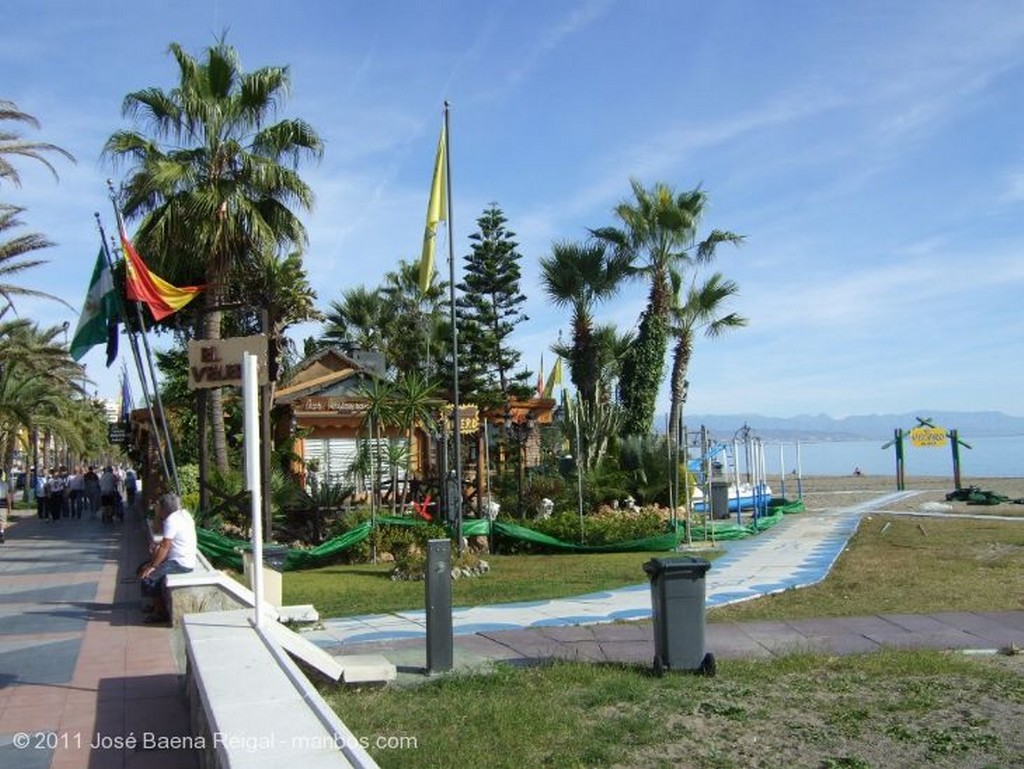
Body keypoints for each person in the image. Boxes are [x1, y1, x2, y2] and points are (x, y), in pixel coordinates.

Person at [138, 493, 197, 624]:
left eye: (158, 506)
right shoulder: (183, 514)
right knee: (142, 568)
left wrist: (153, 566)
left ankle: (160, 613)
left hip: (181, 563)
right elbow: (162, 536)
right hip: (181, 558)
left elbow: (165, 546)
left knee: (148, 576)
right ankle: (156, 606)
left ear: (164, 508)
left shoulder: (172, 520)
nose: (155, 508)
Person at [0, 470, 11, 543]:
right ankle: (1, 532)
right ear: (1, 475)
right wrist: (9, 507)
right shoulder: (5, 484)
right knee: (2, 521)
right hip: (2, 503)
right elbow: (8, 497)